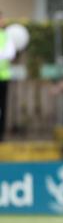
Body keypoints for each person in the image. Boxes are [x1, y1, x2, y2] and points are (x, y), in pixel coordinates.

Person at [0, 11, 16, 141]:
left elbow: (10, 54)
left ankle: (1, 136)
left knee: (2, 108)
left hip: (3, 77)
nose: (3, 21)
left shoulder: (6, 35)